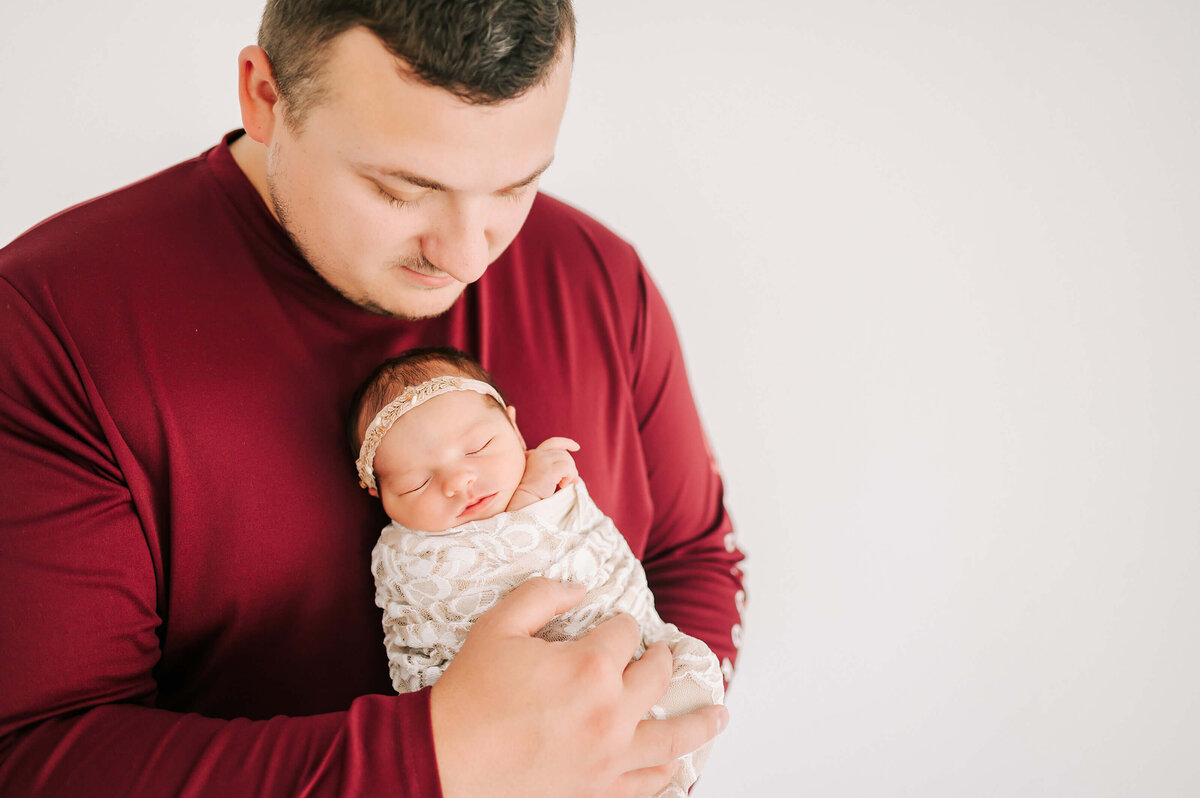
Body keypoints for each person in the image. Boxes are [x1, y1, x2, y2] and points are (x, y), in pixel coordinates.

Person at [0, 1, 745, 796]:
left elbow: (693, 555)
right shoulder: (51, 324)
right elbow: (37, 752)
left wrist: (647, 743)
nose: (466, 254)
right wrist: (435, 764)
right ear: (265, 97)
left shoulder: (597, 273)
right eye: (400, 190)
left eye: (515, 187)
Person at [352, 347, 725, 797]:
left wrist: (536, 501)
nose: (458, 481)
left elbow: (590, 555)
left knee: (691, 672)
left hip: (627, 665)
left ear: (512, 424)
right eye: (417, 481)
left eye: (479, 447)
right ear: (377, 493)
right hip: (503, 737)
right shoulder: (403, 557)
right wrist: (527, 504)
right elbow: (419, 646)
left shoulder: (553, 481)